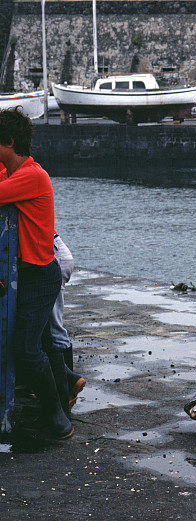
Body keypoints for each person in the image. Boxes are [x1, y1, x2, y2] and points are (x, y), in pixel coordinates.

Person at [0, 107, 75, 439]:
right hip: (29, 275)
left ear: (10, 142)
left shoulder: (32, 177)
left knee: (26, 348)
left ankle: (57, 420)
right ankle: (66, 388)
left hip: (42, 274)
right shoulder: (17, 174)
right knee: (41, 340)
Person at [41, 232, 85, 411]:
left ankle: (67, 389)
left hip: (53, 258)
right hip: (54, 253)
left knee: (53, 328)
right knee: (48, 326)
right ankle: (67, 385)